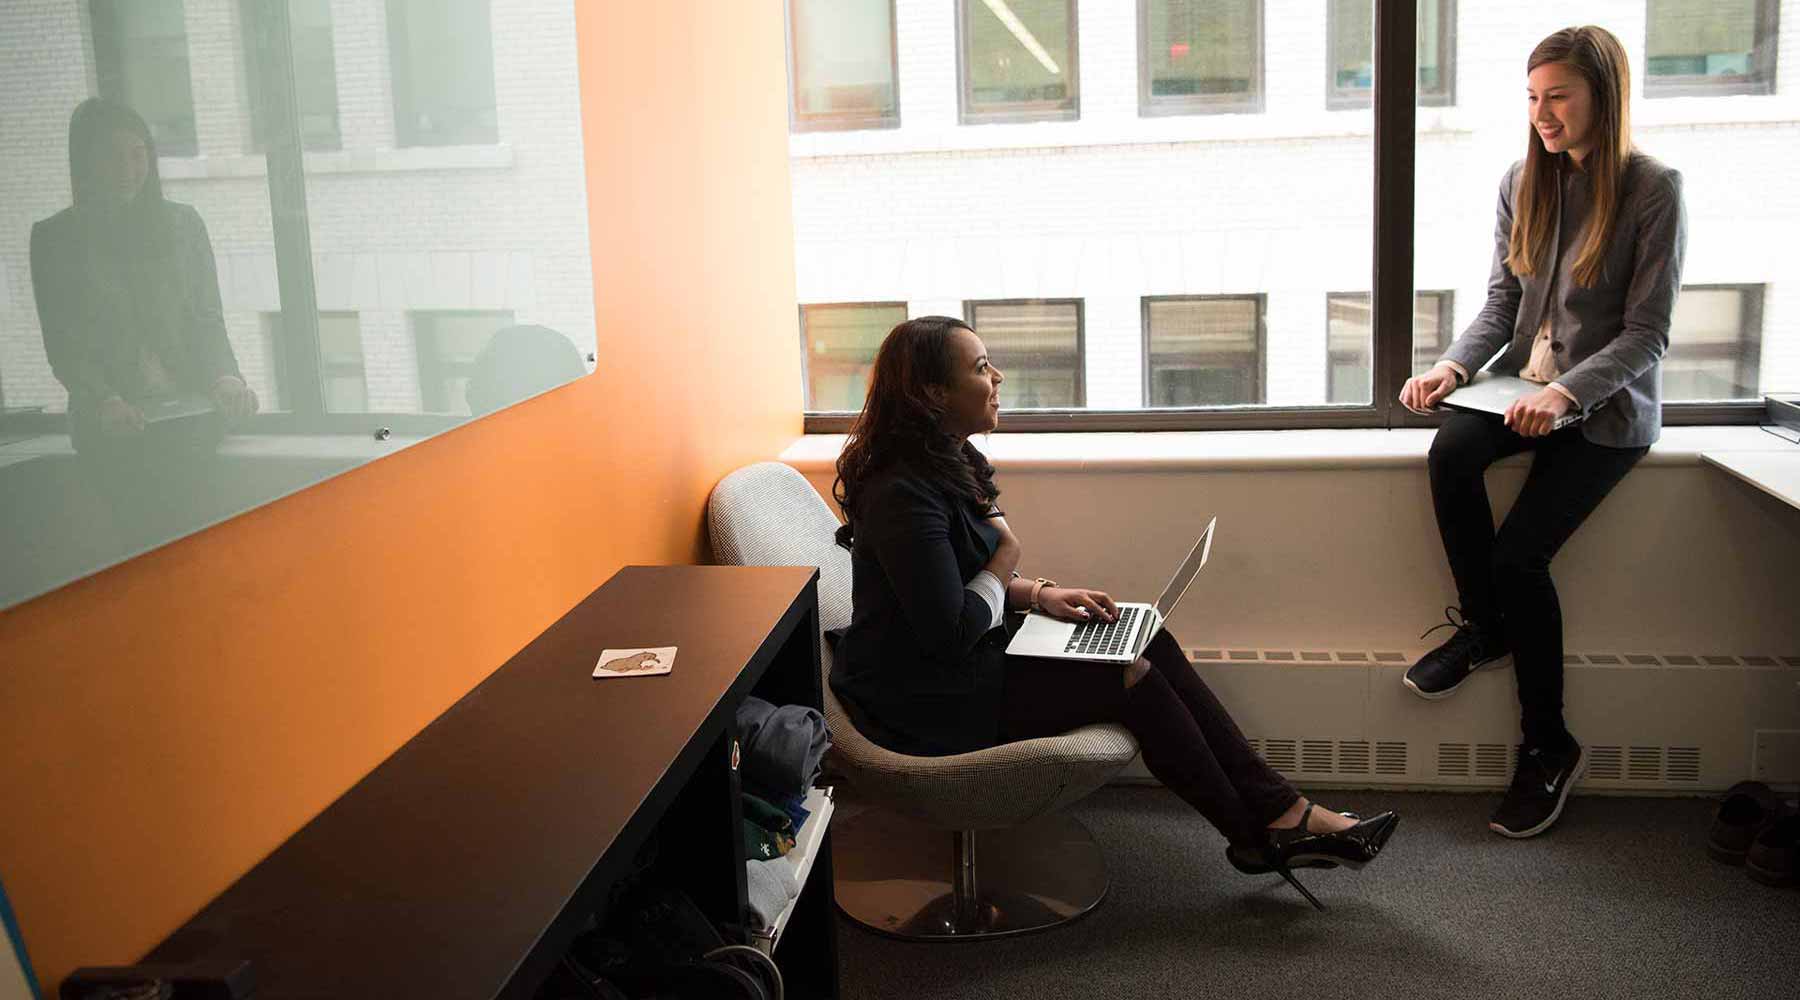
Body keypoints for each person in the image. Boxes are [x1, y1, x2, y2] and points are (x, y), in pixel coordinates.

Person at [830, 316, 1398, 909]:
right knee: (1133, 679)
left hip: (965, 658)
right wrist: (1008, 556)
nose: (998, 377)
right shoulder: (902, 493)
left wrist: (1039, 593)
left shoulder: (948, 459)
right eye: (979, 368)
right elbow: (950, 630)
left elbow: (959, 580)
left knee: (1147, 637)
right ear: (932, 393)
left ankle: (1283, 812)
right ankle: (1261, 835)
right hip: (924, 696)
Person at [1397, 26, 1686, 839]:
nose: (1543, 113)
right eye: (1533, 97)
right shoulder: (1522, 181)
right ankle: (1484, 628)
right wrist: (1453, 366)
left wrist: (1565, 394)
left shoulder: (1654, 189)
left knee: (1520, 559)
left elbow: (1649, 334)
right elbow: (1503, 303)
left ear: (1604, 96)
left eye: (1559, 96)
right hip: (1522, 391)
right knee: (1451, 450)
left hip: (1606, 413)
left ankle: (1549, 745)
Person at [29, 98, 256, 552]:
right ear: (85, 162)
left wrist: (226, 378)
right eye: (113, 157)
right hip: (113, 430)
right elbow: (65, 345)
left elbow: (207, 320)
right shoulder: (56, 239)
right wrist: (105, 400)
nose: (129, 170)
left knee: (201, 552)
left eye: (138, 155)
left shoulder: (183, 225)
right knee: (149, 551)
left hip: (190, 419)